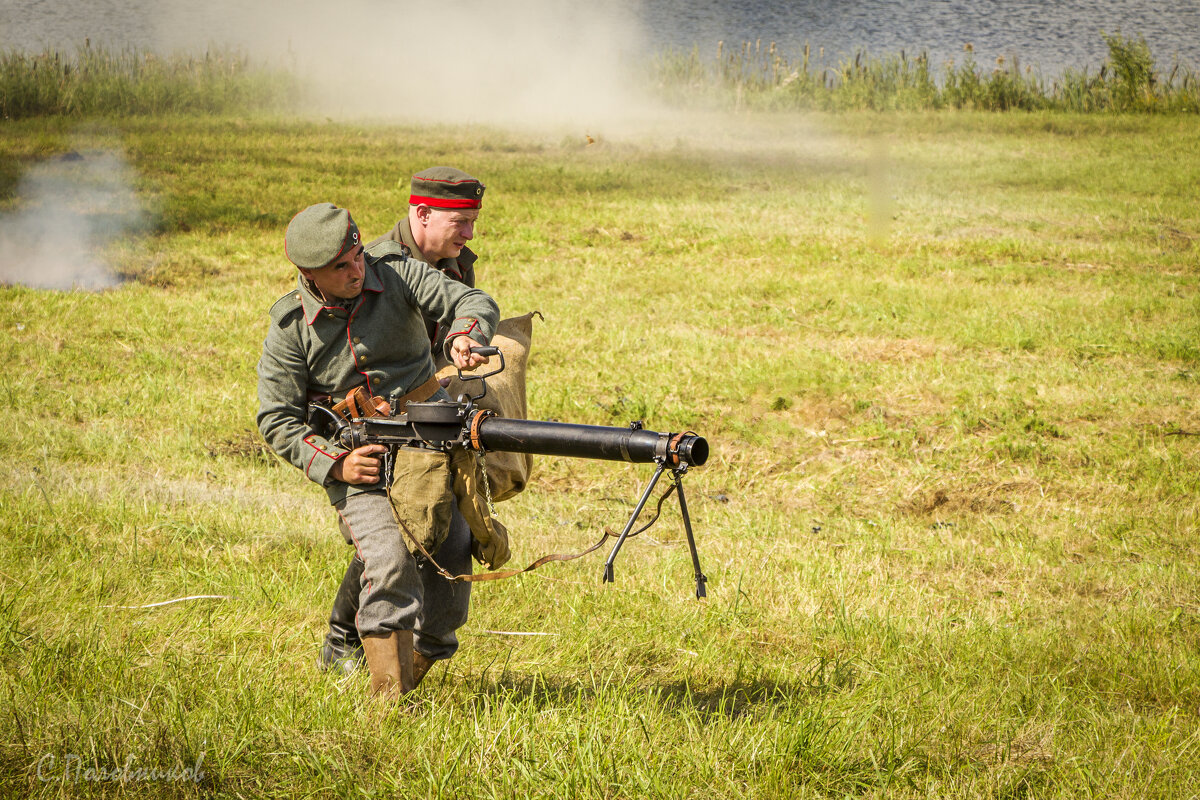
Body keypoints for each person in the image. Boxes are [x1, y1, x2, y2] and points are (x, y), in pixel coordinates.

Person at [257, 202, 499, 698]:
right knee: (389, 560)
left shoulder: (395, 271)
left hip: (429, 440)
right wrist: (337, 463)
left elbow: (470, 301)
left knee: (451, 552)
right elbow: (275, 418)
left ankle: (415, 667)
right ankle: (389, 706)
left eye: (356, 256)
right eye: (340, 268)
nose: (356, 271)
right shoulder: (290, 330)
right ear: (308, 274)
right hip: (359, 459)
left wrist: (464, 336)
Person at [319, 167, 488, 677]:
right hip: (376, 420)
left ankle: (417, 645)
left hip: (430, 408)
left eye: (474, 222)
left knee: (440, 527)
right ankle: (343, 637)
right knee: (403, 530)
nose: (470, 234)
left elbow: (457, 316)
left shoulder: (455, 263)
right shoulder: (378, 267)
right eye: (460, 223)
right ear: (421, 214)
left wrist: (465, 338)